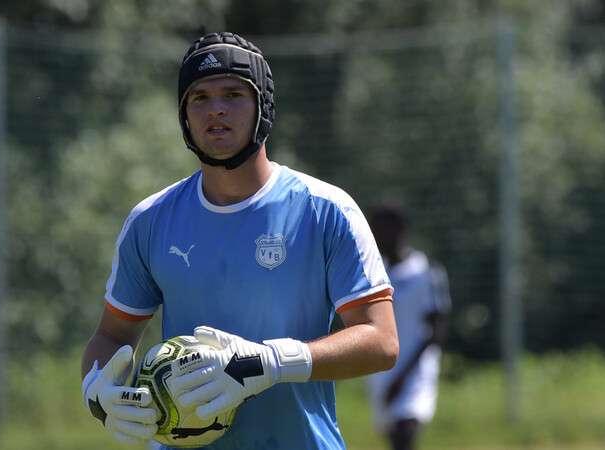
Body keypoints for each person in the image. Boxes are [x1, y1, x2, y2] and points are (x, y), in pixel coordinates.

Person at [81, 32, 399, 449]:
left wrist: (272, 363)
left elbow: (381, 340)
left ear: (263, 107)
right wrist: (97, 395)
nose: (216, 109)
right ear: (184, 115)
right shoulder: (150, 220)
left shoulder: (325, 209)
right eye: (199, 97)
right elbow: (113, 336)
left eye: (233, 94)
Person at [366, 202, 451, 450]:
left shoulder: (426, 272)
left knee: (406, 432)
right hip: (382, 369)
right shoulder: (373, 272)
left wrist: (403, 376)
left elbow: (436, 331)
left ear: (400, 229)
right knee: (395, 438)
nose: (377, 234)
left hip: (415, 370)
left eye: (382, 228)